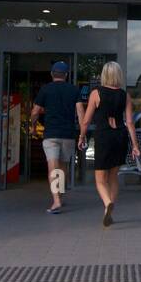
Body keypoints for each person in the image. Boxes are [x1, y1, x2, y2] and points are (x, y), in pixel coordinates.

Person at [77, 60, 140, 228]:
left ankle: (107, 203)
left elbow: (86, 121)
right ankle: (109, 210)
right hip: (120, 136)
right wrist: (135, 145)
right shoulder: (124, 95)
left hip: (104, 136)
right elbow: (130, 123)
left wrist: (82, 136)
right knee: (113, 176)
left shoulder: (96, 93)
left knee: (100, 179)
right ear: (118, 75)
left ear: (104, 75)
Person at [29, 61, 84, 214]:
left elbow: (35, 112)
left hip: (51, 135)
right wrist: (82, 133)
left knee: (53, 167)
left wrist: (33, 127)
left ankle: (56, 200)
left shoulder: (45, 90)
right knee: (63, 167)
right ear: (66, 75)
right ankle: (59, 195)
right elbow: (80, 112)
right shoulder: (74, 90)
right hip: (68, 135)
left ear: (52, 74)